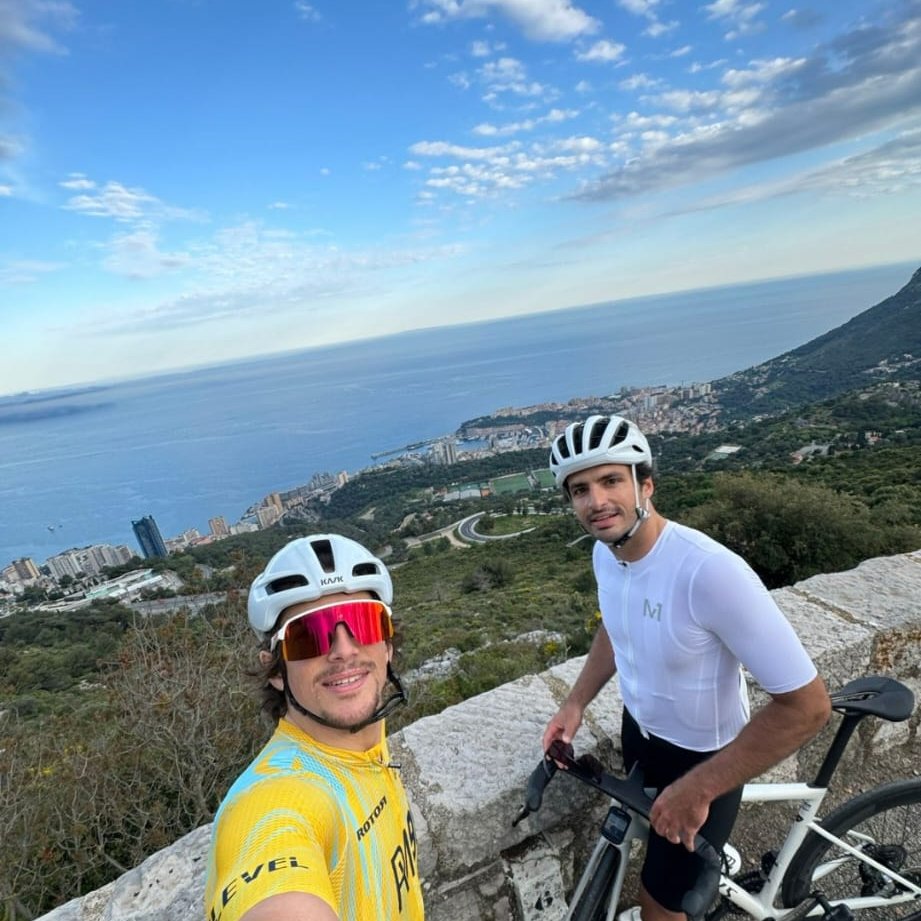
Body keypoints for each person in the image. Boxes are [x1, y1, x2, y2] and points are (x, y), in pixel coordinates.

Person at [542, 415, 831, 921]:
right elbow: (617, 624)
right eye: (580, 490)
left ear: (645, 485)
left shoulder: (709, 572)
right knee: (655, 853)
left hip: (705, 760)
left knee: (659, 907)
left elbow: (808, 707)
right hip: (641, 733)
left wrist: (699, 789)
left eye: (610, 481)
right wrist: (575, 702)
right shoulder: (606, 555)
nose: (596, 502)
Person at [205, 534, 425, 921]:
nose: (344, 650)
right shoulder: (276, 798)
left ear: (387, 647)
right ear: (276, 671)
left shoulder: (365, 751)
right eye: (309, 636)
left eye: (364, 623)